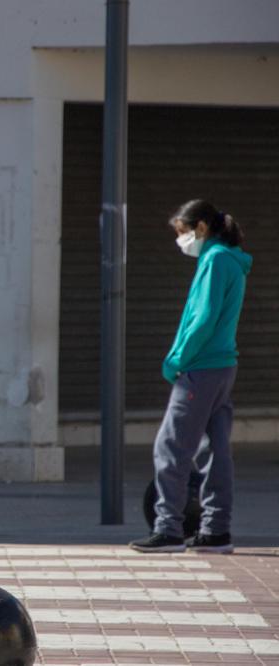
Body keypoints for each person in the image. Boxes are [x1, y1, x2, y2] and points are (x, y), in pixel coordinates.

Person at [130, 200, 251, 555]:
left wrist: (176, 358)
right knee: (216, 450)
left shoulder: (214, 261)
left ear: (200, 228)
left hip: (200, 368)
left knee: (170, 447)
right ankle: (216, 531)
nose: (181, 241)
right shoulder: (230, 260)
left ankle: (168, 528)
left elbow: (203, 319)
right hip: (223, 365)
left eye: (183, 232)